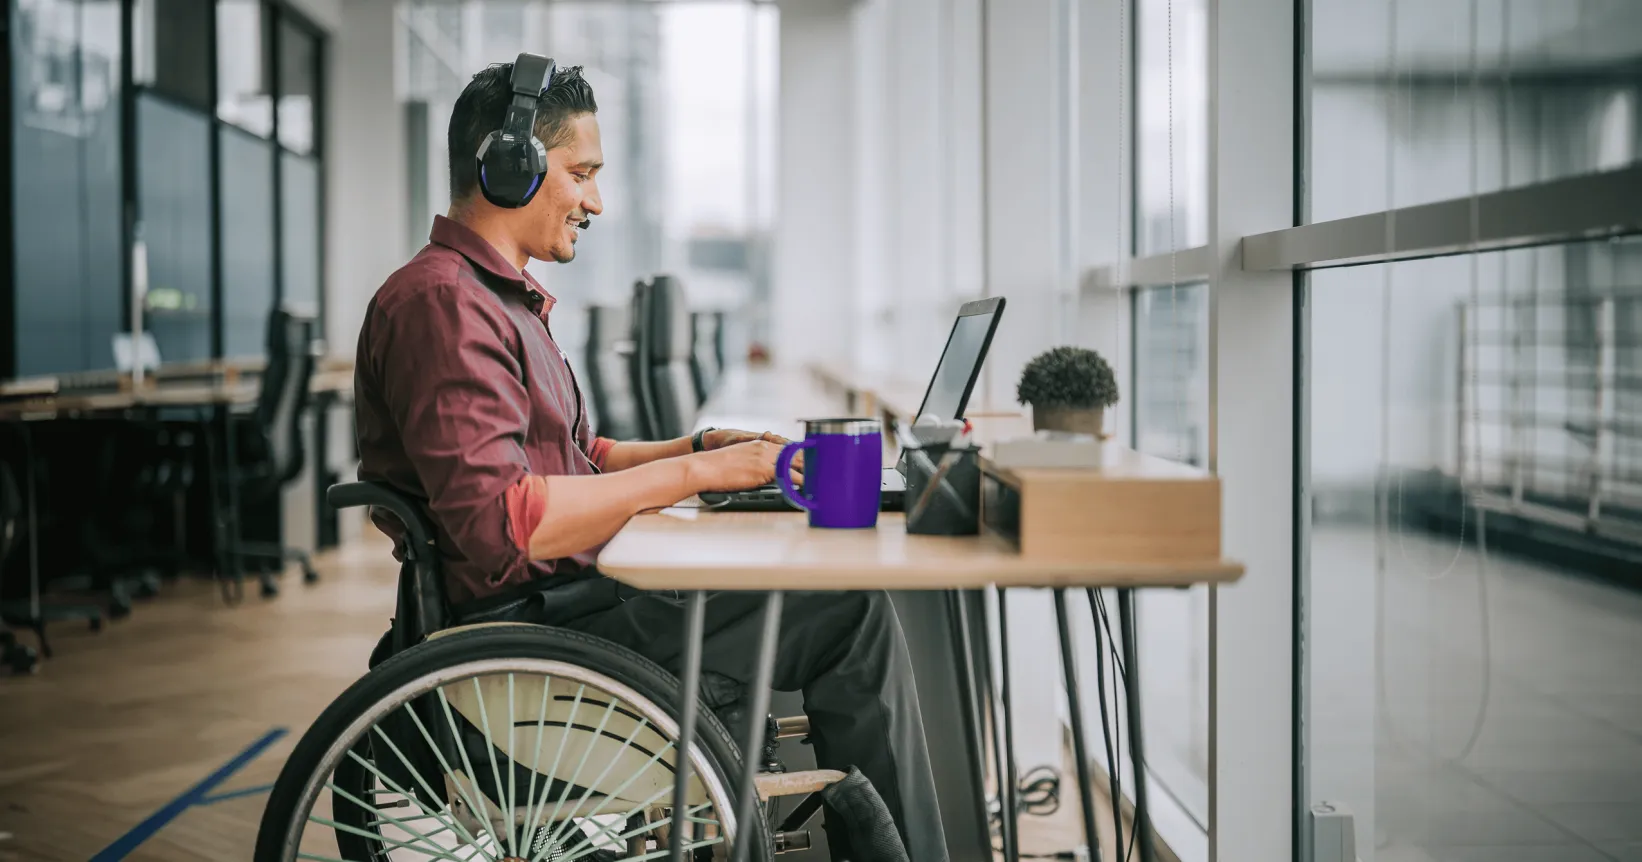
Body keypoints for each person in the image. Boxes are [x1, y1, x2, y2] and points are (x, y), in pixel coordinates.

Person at [352, 59, 949, 862]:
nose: (595, 201)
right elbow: (505, 525)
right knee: (848, 608)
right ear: (510, 166)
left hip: (570, 604)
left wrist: (700, 448)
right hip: (530, 637)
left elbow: (576, 457)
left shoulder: (494, 298)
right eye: (581, 174)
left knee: (829, 597)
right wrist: (696, 478)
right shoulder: (443, 304)